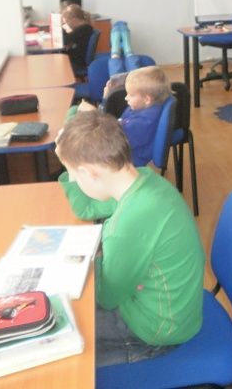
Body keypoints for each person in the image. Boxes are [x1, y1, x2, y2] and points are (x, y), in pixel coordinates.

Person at [55, 110, 205, 367]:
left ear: (90, 173)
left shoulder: (126, 225)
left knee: (62, 343)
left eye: (74, 176)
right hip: (172, 308)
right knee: (70, 309)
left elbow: (107, 297)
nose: (73, 181)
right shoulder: (144, 180)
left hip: (157, 330)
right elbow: (88, 209)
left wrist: (96, 259)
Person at [76, 65, 170, 167]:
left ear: (147, 99)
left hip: (125, 157)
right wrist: (105, 99)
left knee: (81, 148)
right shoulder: (142, 108)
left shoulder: (145, 121)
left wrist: (94, 113)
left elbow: (113, 137)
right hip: (119, 145)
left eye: (131, 95)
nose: (126, 98)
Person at [61, 4, 94, 77]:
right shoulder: (84, 27)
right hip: (77, 58)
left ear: (74, 19)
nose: (66, 24)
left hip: (78, 62)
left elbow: (65, 40)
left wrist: (62, 28)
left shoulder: (84, 29)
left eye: (67, 22)